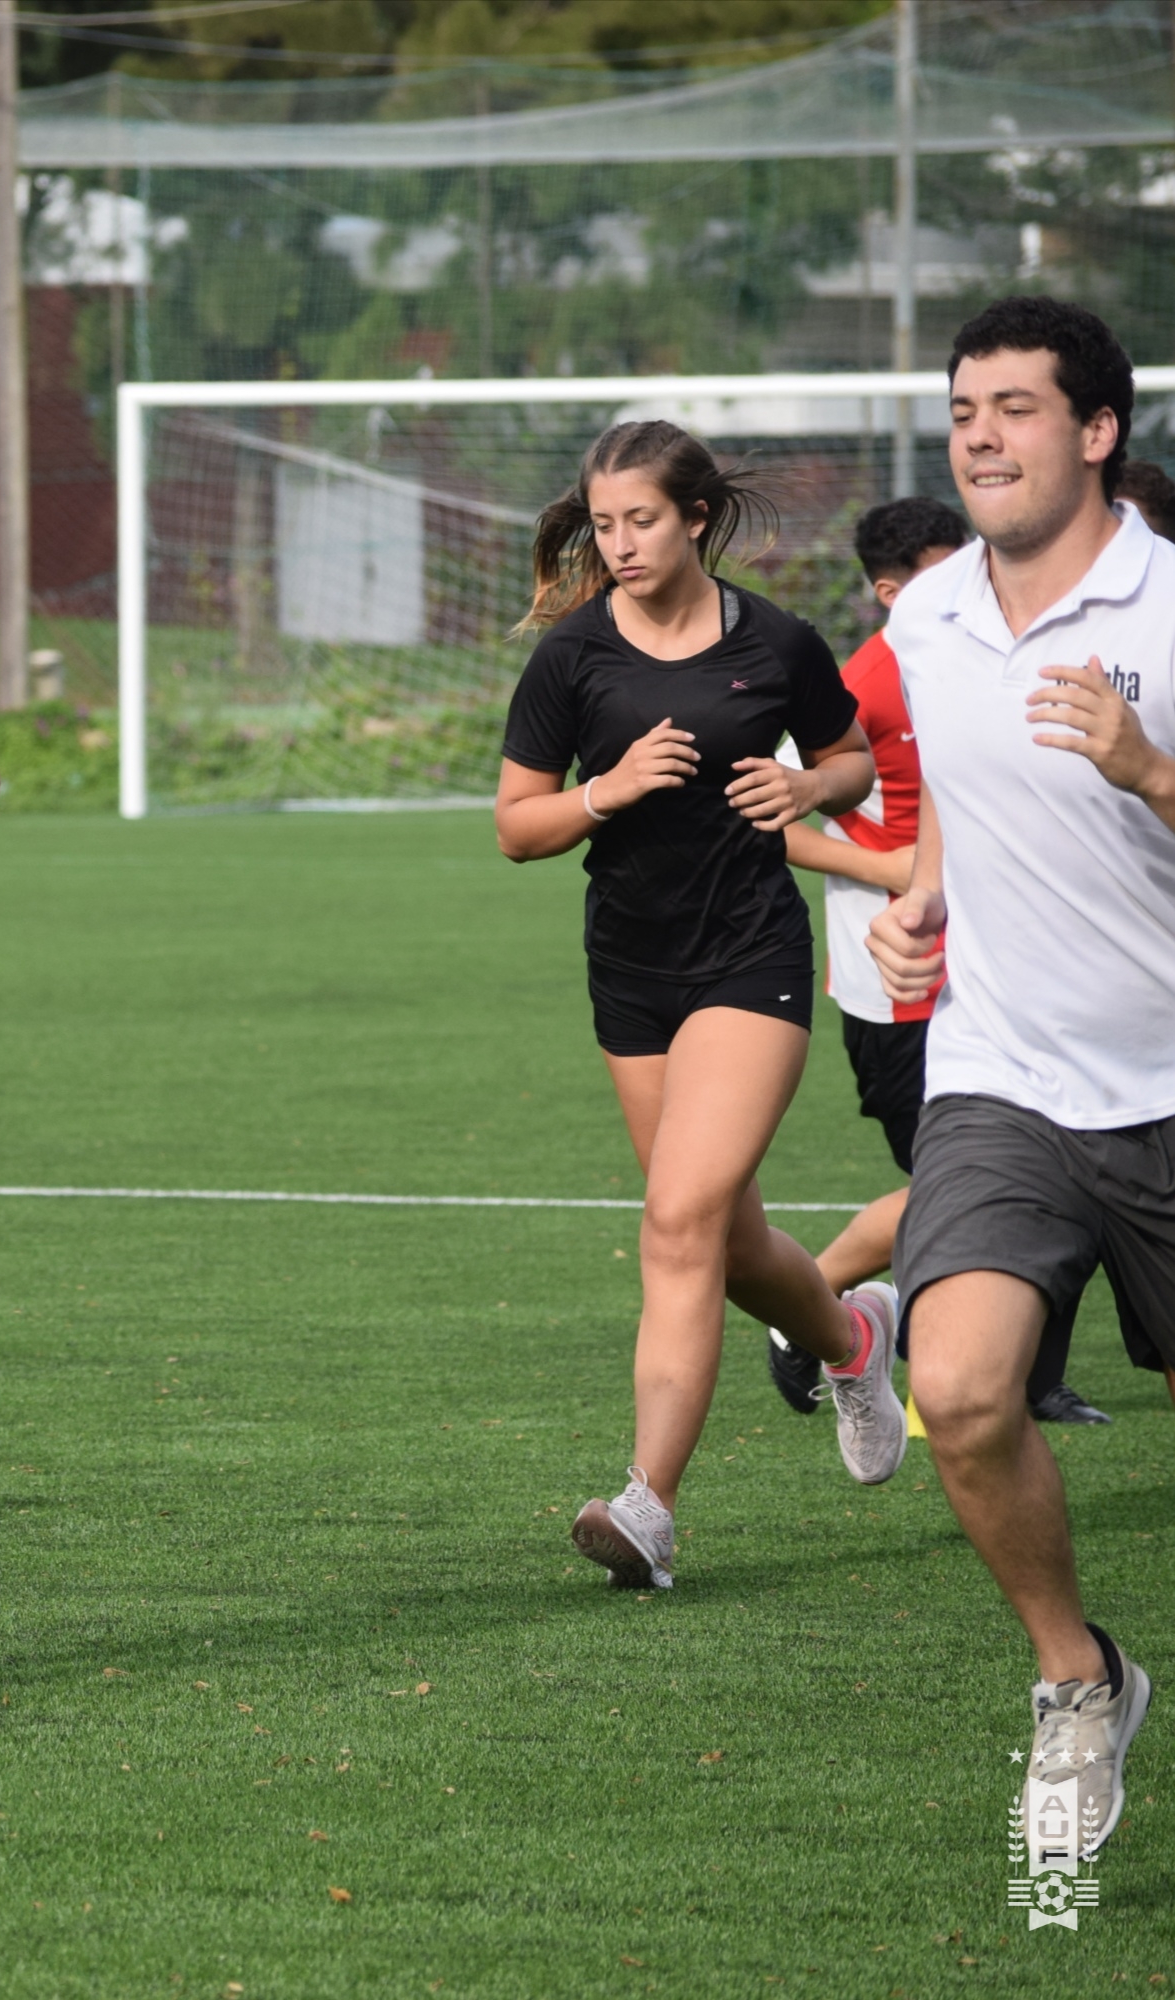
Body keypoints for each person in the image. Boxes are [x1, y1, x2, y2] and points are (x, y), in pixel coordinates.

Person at [495, 419, 908, 1593]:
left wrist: (802, 782)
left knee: (675, 1218)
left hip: (750, 958)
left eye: (638, 520)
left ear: (691, 517)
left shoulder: (774, 639)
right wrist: (604, 793)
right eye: (601, 523)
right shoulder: (571, 660)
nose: (617, 543)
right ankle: (850, 1335)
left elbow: (848, 763)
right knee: (722, 1243)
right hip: (630, 970)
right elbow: (515, 824)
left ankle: (647, 1508)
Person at [870, 295, 1172, 1868]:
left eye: (1015, 408)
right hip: (999, 1079)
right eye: (963, 408)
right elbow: (955, 797)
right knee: (964, 1385)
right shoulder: (924, 615)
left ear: (1097, 430)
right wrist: (926, 893)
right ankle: (1077, 1679)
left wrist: (1143, 768)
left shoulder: (1171, 611)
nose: (979, 435)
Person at [764, 498, 1112, 1425]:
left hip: (1001, 962)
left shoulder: (994, 663)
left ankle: (1023, 1380)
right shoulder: (865, 681)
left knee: (1041, 1171)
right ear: (892, 592)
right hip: (898, 981)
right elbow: (773, 817)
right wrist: (890, 869)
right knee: (960, 1192)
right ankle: (813, 1310)